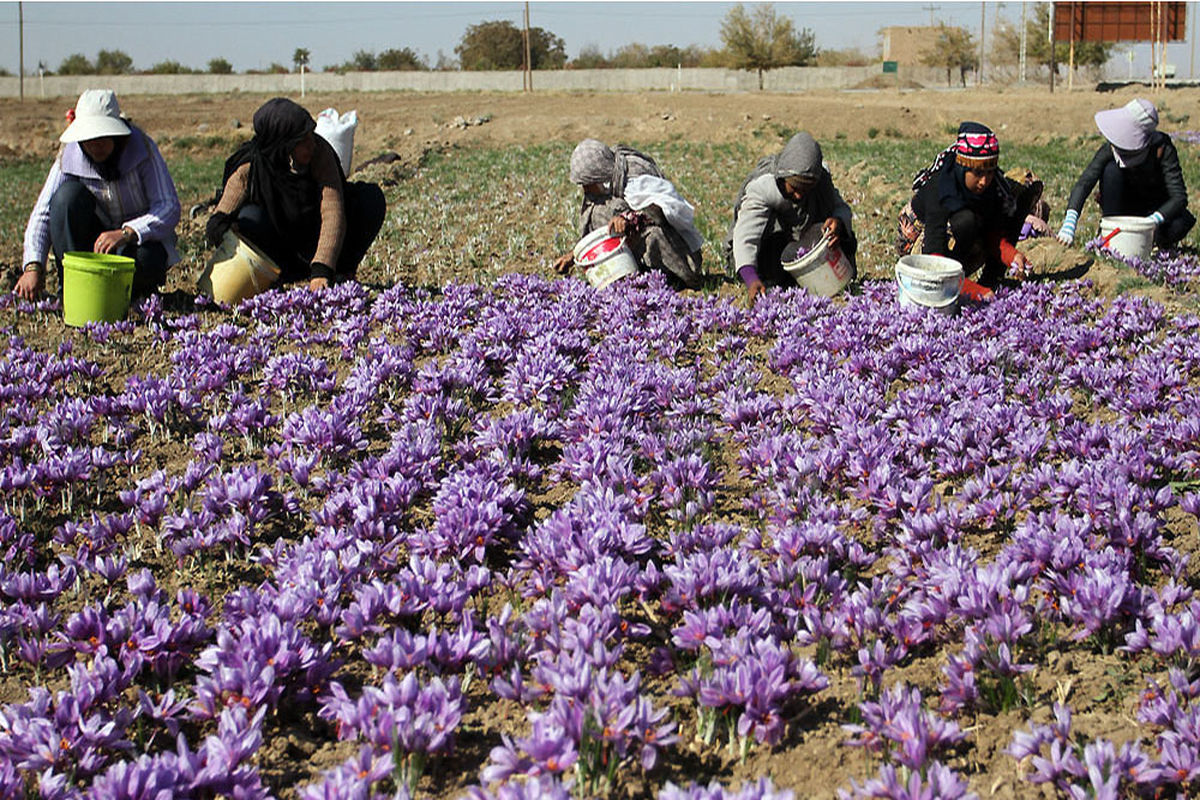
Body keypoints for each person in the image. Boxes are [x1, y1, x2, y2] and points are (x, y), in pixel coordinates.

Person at [206, 97, 386, 291]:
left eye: (311, 135)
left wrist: (322, 268)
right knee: (249, 218)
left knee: (370, 198)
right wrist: (219, 222)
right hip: (279, 246)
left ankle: (341, 271)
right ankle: (272, 276)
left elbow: (332, 211)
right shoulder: (256, 162)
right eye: (303, 140)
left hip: (317, 237)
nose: (312, 144)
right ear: (284, 144)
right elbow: (233, 193)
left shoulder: (320, 154)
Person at [17, 89, 180, 302]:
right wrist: (33, 266)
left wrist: (127, 232)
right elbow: (43, 212)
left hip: (134, 245)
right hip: (94, 246)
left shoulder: (142, 150)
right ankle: (74, 288)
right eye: (89, 139)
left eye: (103, 137)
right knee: (67, 197)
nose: (95, 146)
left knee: (147, 259)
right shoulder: (71, 155)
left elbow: (168, 206)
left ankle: (129, 296)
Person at [554, 139, 704, 289]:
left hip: (671, 240)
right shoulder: (604, 187)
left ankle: (686, 279)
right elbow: (598, 235)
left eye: (586, 184)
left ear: (597, 177)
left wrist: (629, 219)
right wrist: (574, 255)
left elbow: (659, 213)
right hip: (634, 242)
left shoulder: (635, 177)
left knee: (654, 236)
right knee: (597, 213)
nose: (585, 190)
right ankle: (637, 276)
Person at [724, 132, 856, 303]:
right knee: (772, 266)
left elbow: (841, 208)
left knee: (844, 236)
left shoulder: (820, 180)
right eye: (794, 188)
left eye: (806, 189)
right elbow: (746, 235)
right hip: (772, 246)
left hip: (807, 248)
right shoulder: (765, 186)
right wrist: (751, 278)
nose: (799, 195)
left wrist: (838, 223)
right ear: (784, 177)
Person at [896, 122, 1032, 285]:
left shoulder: (992, 185)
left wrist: (1012, 256)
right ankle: (958, 278)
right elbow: (933, 258)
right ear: (962, 167)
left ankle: (989, 277)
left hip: (958, 232)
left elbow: (992, 232)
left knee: (1014, 195)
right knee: (966, 221)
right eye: (978, 173)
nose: (984, 181)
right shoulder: (941, 187)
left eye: (990, 172)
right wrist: (974, 292)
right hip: (921, 243)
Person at [1056, 98, 1194, 250]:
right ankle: (1110, 232)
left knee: (1180, 223)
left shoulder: (1163, 148)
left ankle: (1156, 241)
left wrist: (1152, 221)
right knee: (1111, 171)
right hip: (1123, 207)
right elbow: (1085, 183)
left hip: (1154, 207)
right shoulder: (1111, 147)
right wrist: (1070, 221)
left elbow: (1179, 197)